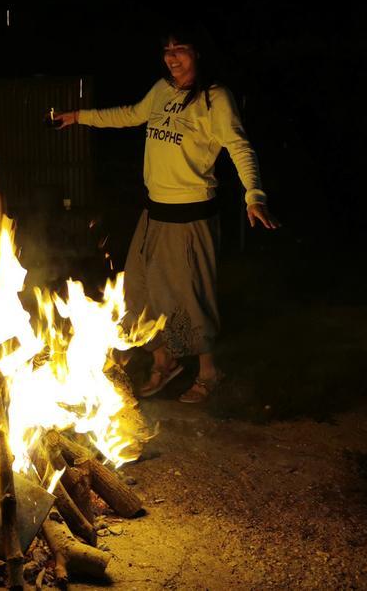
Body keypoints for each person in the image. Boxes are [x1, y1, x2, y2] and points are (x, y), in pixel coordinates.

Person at [53, 20, 279, 403]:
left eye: (180, 49)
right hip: (154, 214)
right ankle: (164, 361)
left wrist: (253, 195)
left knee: (190, 297)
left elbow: (240, 148)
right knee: (138, 291)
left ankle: (209, 372)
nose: (171, 57)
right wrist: (79, 117)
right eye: (167, 50)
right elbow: (129, 114)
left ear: (199, 54)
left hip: (190, 217)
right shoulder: (161, 91)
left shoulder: (215, 98)